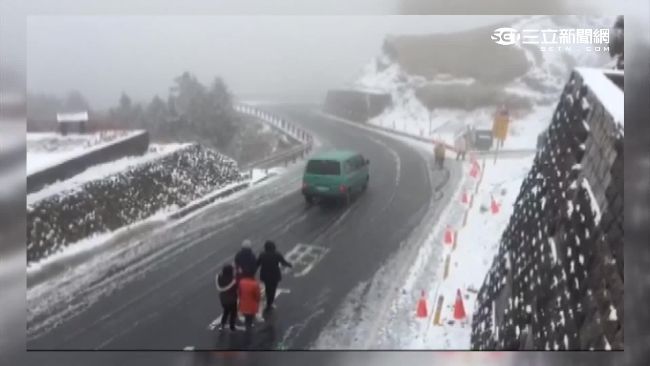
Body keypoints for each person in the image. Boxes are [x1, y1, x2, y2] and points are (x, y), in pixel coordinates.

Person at [257, 240, 293, 311]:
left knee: (267, 288)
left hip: (265, 274)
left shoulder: (262, 254)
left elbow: (257, 263)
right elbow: (283, 262)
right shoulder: (277, 254)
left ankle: (268, 300)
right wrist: (289, 265)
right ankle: (270, 303)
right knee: (273, 288)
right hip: (274, 274)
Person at [215, 264, 237, 331]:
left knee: (226, 311)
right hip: (232, 299)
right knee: (233, 313)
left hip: (223, 299)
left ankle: (222, 325)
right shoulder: (233, 279)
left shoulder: (218, 277)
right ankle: (232, 326)